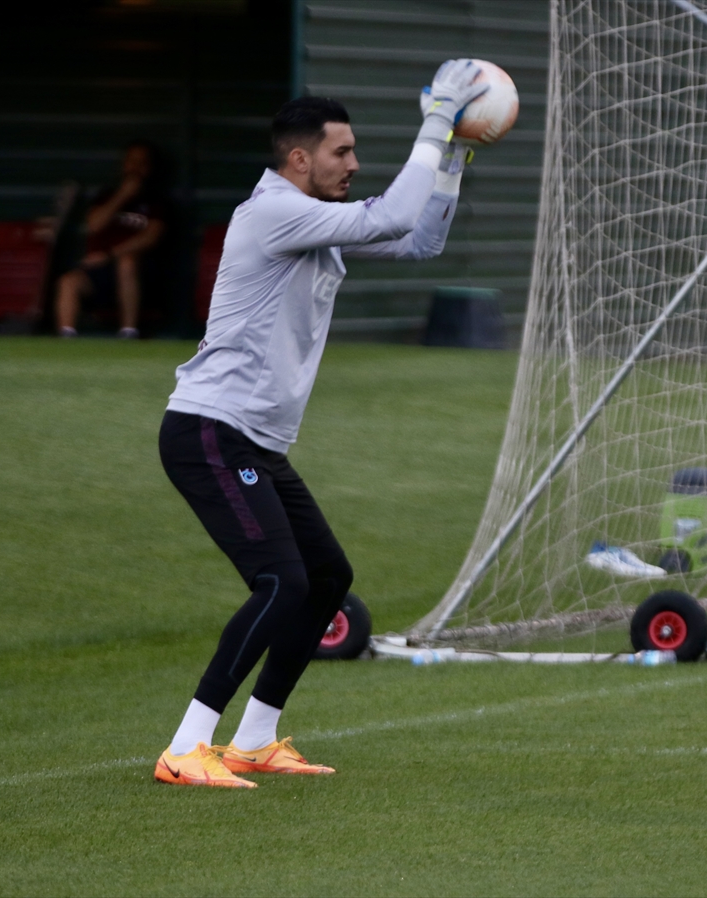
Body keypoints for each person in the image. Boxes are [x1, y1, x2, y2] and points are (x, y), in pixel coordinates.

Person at [152, 61, 488, 788]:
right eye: (342, 152)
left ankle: (254, 740)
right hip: (210, 429)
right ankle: (185, 747)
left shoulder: (315, 223)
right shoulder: (273, 213)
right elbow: (393, 215)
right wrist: (436, 119)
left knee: (327, 577)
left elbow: (417, 240)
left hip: (255, 442)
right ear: (299, 159)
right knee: (280, 580)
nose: (355, 164)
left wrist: (457, 152)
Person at [54, 140, 167, 339]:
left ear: (149, 168)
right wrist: (123, 195)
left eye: (142, 163)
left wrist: (109, 255)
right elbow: (93, 225)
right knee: (68, 281)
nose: (135, 167)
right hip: (99, 272)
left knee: (127, 262)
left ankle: (128, 332)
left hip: (139, 275)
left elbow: (151, 237)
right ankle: (67, 336)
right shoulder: (105, 196)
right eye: (131, 161)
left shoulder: (156, 201)